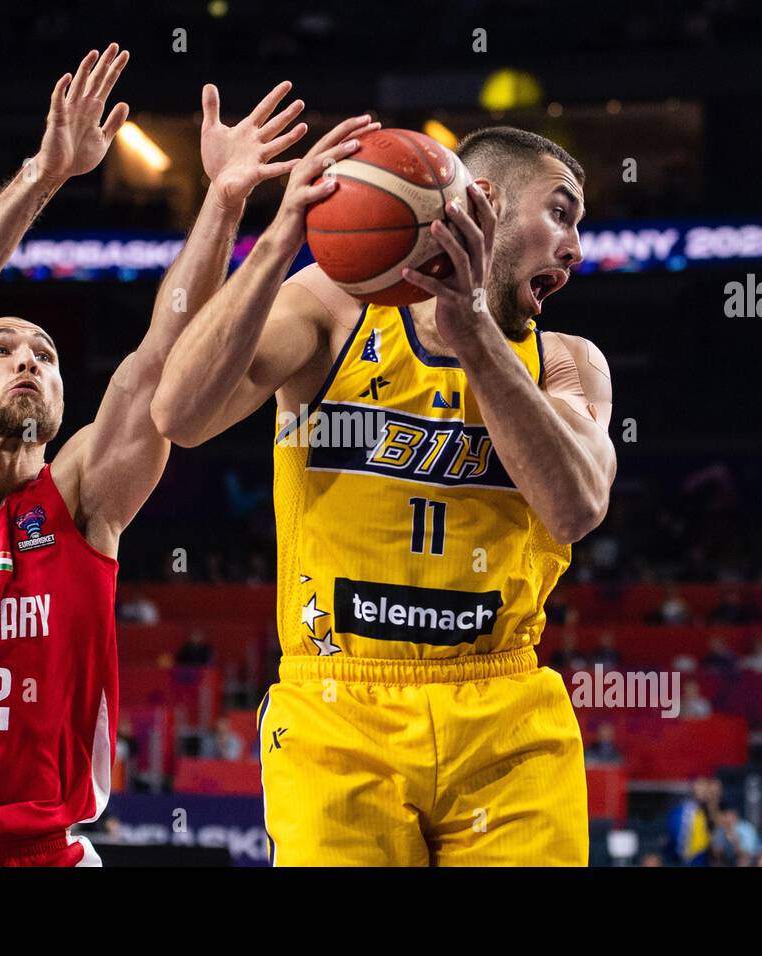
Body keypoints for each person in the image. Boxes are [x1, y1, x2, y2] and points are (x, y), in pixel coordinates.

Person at [0, 46, 309, 867]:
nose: (27, 361)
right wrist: (45, 177)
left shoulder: (83, 503)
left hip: (44, 852)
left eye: (43, 353)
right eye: (2, 348)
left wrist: (224, 202)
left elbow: (164, 358)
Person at [154, 126, 614, 865]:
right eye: (562, 213)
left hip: (507, 715)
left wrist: (474, 338)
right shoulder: (331, 309)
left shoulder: (566, 363)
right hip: (338, 709)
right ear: (483, 203)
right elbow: (180, 413)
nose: (576, 249)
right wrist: (277, 237)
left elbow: (576, 506)